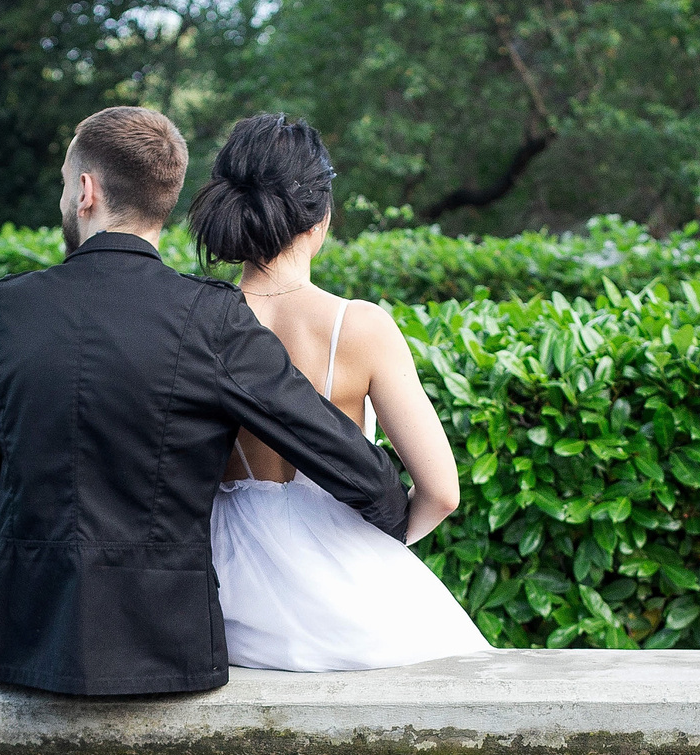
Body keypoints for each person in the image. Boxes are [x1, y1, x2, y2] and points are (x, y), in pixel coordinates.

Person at [0, 107, 409, 697]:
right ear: (165, 198)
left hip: (10, 635)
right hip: (161, 644)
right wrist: (389, 516)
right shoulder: (211, 318)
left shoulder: (5, 309)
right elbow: (330, 444)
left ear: (85, 191)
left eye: (65, 183)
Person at [190, 115, 490, 672]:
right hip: (345, 602)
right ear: (320, 217)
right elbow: (442, 492)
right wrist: (378, 549)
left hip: (221, 594)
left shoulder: (190, 322)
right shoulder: (360, 327)